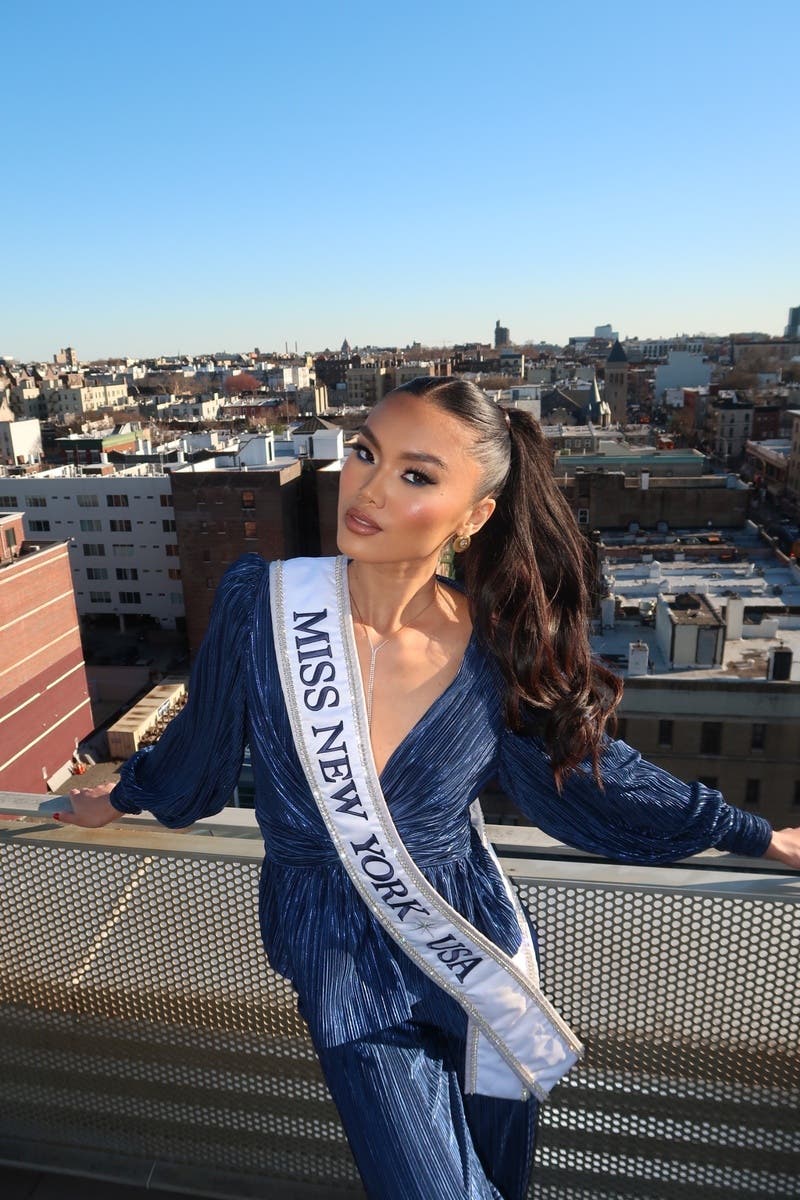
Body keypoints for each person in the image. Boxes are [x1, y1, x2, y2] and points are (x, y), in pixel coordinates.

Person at [56, 377, 800, 1200]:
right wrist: (117, 797)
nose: (369, 488)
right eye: (364, 453)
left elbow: (590, 774)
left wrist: (754, 834)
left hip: (468, 944)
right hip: (339, 955)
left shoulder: (497, 649)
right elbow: (199, 754)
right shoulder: (260, 607)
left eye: (415, 475)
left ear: (474, 516)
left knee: (496, 1169)